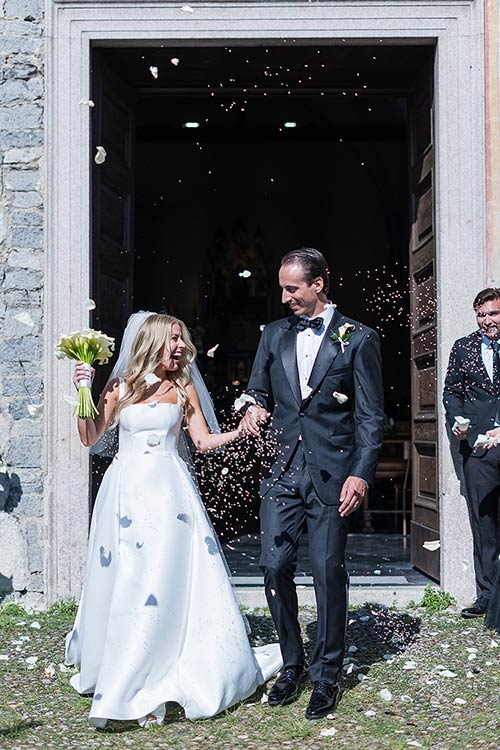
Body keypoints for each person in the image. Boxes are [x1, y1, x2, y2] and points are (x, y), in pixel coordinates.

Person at [65, 312, 282, 728]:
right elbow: (90, 437)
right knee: (130, 578)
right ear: (152, 342)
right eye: (174, 339)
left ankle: (162, 664)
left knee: (164, 577)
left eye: (183, 340)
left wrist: (240, 433)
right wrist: (83, 391)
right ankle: (123, 668)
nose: (182, 347)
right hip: (125, 494)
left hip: (170, 496)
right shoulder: (120, 386)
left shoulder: (182, 387)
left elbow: (201, 441)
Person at [238, 248, 384, 719]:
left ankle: (327, 675)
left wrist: (360, 473)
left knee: (326, 572)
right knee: (273, 565)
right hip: (281, 470)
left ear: (320, 283)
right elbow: (255, 389)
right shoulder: (273, 335)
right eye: (282, 288)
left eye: (292, 288)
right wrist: (252, 406)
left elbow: (370, 415)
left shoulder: (359, 339)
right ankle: (291, 662)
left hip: (333, 473)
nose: (284, 298)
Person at [443, 287, 500, 619]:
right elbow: (451, 391)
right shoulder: (463, 348)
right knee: (484, 524)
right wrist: (457, 422)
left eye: (493, 314)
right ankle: (487, 595)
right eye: (481, 314)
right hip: (477, 450)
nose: (486, 321)